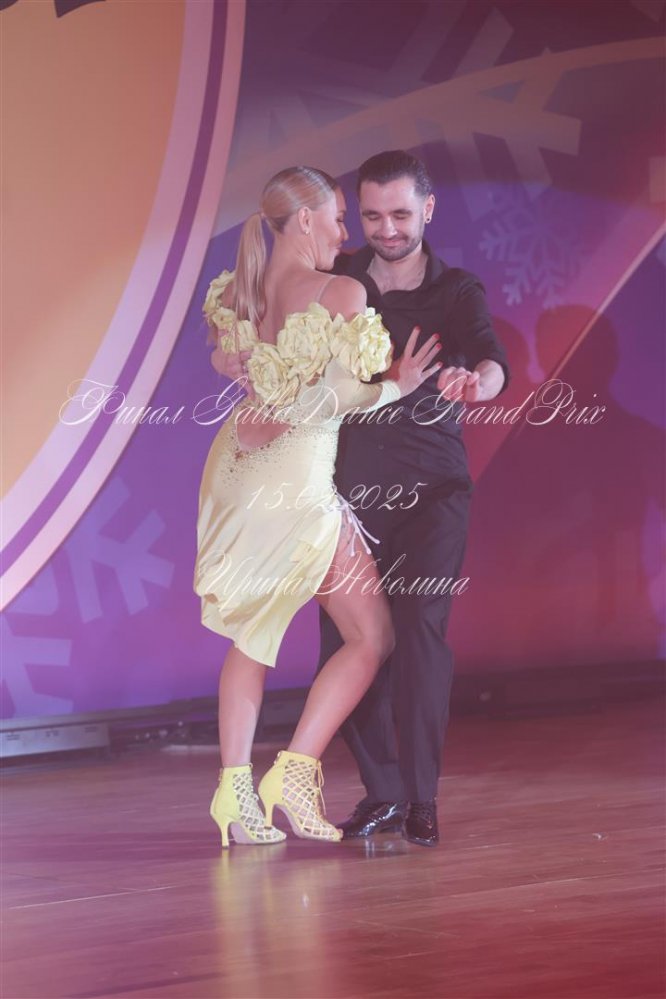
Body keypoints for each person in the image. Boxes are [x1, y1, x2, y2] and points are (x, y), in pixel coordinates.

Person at [196, 165, 441, 848]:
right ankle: (295, 771)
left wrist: (225, 363)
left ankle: (235, 793)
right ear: (304, 220)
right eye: (337, 218)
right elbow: (332, 398)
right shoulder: (339, 291)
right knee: (372, 635)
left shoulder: (243, 289)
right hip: (295, 474)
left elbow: (228, 359)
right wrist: (397, 385)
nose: (344, 233)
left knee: (253, 634)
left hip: (238, 465)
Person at [321, 150, 510, 847]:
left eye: (401, 213)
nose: (388, 229)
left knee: (422, 634)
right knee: (351, 643)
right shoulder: (340, 283)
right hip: (350, 492)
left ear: (428, 209)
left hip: (434, 490)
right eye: (372, 215)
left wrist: (478, 381)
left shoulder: (455, 290)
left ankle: (423, 797)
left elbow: (490, 357)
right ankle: (384, 791)